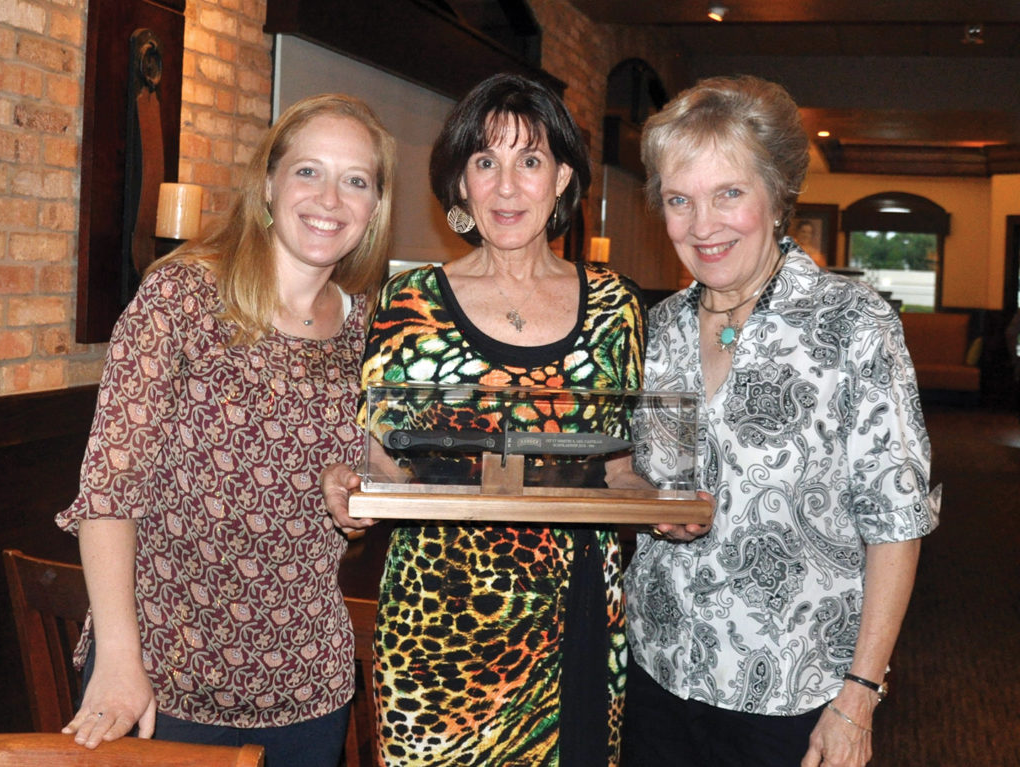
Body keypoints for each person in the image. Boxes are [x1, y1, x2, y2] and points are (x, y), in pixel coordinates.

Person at [55, 93, 396, 766]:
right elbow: (108, 490)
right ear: (269, 183)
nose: (330, 197)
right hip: (161, 678)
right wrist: (121, 660)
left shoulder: (370, 330)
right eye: (309, 171)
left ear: (375, 206)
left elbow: (374, 478)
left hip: (308, 687)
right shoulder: (181, 298)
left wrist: (358, 500)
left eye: (355, 179)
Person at [322, 73, 646, 766]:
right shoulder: (411, 301)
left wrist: (661, 505)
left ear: (562, 178)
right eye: (485, 161)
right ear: (461, 184)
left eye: (529, 161)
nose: (507, 186)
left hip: (574, 615)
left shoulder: (616, 304)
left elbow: (619, 468)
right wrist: (349, 492)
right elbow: (381, 458)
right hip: (438, 624)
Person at [621, 75, 941, 767]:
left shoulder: (852, 323)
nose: (702, 225)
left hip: (794, 695)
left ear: (776, 197)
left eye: (728, 193)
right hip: (659, 671)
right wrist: (650, 503)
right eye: (680, 200)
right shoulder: (662, 326)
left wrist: (857, 698)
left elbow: (897, 522)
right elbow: (661, 476)